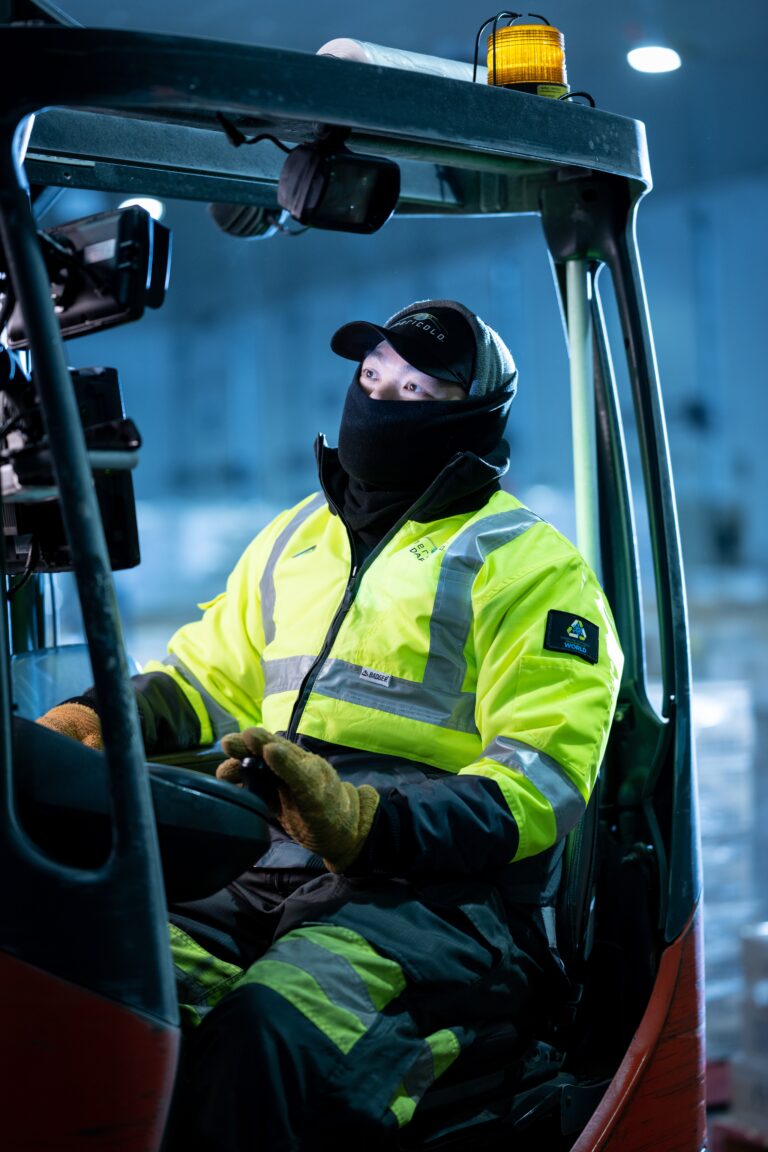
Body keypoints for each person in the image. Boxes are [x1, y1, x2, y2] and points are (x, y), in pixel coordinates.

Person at [38, 298, 624, 1151]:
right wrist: (99, 717)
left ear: (472, 414)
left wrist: (365, 823)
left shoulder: (531, 567)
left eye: (413, 388)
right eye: (371, 375)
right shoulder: (294, 539)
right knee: (88, 976)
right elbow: (206, 675)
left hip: (436, 906)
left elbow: (539, 787)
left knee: (262, 1040)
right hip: (266, 866)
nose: (379, 398)